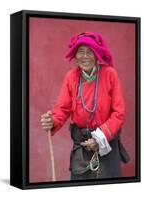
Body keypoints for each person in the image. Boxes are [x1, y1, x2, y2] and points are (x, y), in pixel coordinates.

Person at [40, 32, 130, 180]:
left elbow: (118, 112)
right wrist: (53, 121)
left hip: (106, 141)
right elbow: (62, 108)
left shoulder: (110, 75)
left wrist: (99, 138)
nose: (85, 56)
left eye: (90, 52)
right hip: (81, 144)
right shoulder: (71, 77)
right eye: (81, 52)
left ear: (96, 55)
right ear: (75, 56)